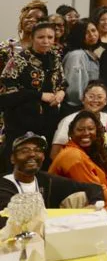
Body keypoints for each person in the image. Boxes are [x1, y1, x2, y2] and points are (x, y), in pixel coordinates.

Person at [0, 132, 104, 228]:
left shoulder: (47, 180)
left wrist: (94, 205)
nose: (32, 154)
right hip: (12, 240)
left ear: (43, 157)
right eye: (25, 151)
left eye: (37, 150)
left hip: (49, 234)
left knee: (81, 196)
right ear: (12, 158)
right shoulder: (4, 185)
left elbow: (94, 187)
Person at [0, 22, 65, 170]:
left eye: (50, 37)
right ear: (32, 38)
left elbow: (62, 82)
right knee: (17, 163)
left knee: (42, 163)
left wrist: (61, 92)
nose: (46, 41)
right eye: (41, 37)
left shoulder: (54, 58)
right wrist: (39, 95)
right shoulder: (19, 60)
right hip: (21, 123)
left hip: (48, 122)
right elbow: (5, 94)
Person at [51, 80, 107, 159]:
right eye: (91, 96)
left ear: (105, 101)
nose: (95, 100)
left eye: (99, 97)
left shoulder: (106, 118)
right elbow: (54, 154)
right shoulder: (68, 120)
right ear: (83, 99)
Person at [62, 19, 100, 114]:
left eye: (94, 30)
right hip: (77, 109)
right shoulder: (77, 55)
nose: (92, 35)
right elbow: (74, 90)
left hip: (89, 106)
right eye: (86, 33)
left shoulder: (91, 53)